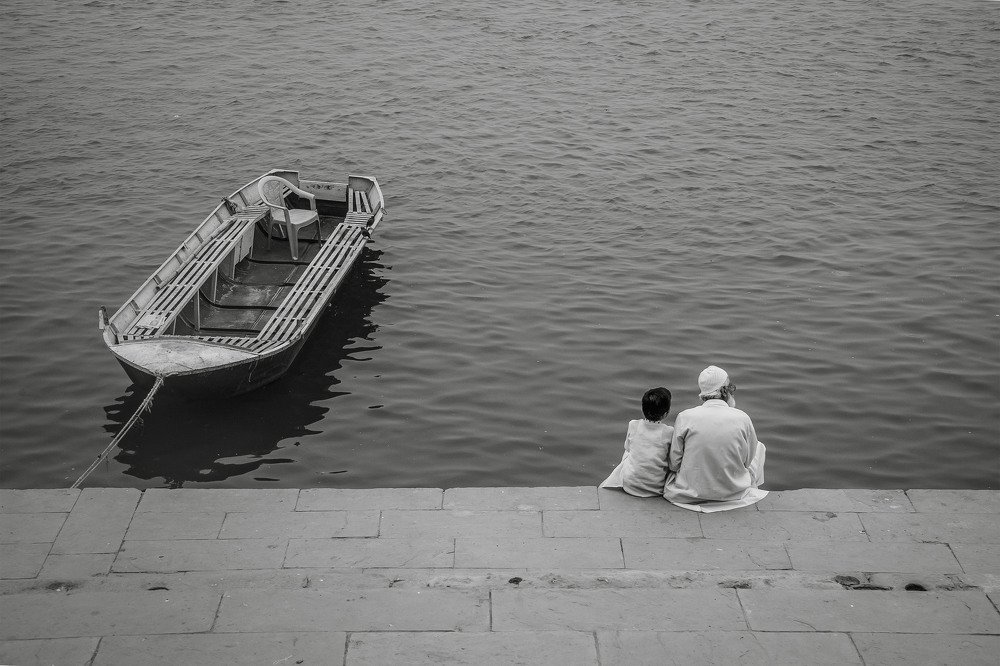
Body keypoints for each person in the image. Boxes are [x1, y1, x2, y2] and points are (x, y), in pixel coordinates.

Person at [663, 366, 767, 510]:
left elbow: (674, 463)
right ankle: (750, 487)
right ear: (725, 391)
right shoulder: (742, 417)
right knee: (759, 447)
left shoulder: (685, 416)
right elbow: (746, 462)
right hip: (733, 493)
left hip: (689, 493)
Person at [600, 387, 674, 497]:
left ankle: (626, 477)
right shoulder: (669, 431)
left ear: (643, 409)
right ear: (665, 414)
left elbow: (627, 447)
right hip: (655, 489)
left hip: (629, 486)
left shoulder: (633, 424)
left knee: (629, 453)